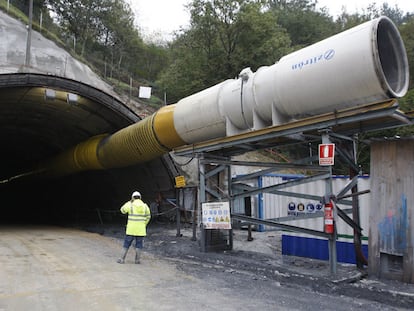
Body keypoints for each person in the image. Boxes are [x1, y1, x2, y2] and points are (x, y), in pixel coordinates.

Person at [117, 191, 151, 264]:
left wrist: (129, 202)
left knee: (126, 244)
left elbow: (122, 210)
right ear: (140, 197)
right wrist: (143, 224)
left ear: (132, 197)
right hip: (141, 230)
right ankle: (137, 260)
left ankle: (121, 259)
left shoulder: (130, 205)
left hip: (131, 229)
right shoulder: (145, 206)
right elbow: (148, 216)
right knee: (139, 245)